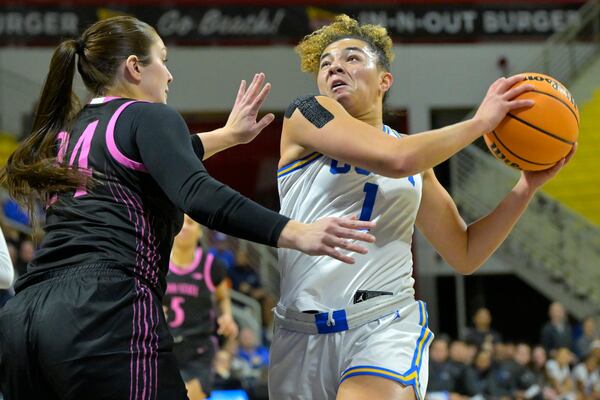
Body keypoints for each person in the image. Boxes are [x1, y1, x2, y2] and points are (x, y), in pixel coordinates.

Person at [0, 16, 376, 400]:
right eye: (162, 59)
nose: (169, 75)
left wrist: (229, 136)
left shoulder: (69, 132)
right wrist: (296, 232)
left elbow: (156, 157)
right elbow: (197, 191)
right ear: (134, 67)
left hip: (25, 317)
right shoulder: (147, 115)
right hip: (101, 310)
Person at [269, 14, 575, 400]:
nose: (335, 68)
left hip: (382, 325)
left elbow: (465, 253)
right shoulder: (305, 114)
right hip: (298, 331)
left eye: (351, 58)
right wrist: (480, 123)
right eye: (326, 63)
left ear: (385, 80)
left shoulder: (418, 165)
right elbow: (395, 158)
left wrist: (525, 188)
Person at [164, 215, 238, 400]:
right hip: (164, 347)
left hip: (198, 349)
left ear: (199, 232)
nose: (186, 227)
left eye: (191, 223)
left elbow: (222, 298)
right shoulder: (158, 262)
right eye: (181, 223)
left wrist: (227, 316)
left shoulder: (211, 265)